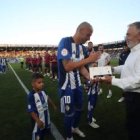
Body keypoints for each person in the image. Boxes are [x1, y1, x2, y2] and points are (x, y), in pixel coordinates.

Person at [57, 22, 100, 140]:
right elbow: (67, 66)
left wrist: (90, 77)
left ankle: (74, 128)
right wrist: (89, 60)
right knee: (69, 113)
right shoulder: (65, 42)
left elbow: (81, 67)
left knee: (79, 109)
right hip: (66, 87)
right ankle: (68, 136)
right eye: (88, 35)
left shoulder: (82, 48)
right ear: (80, 31)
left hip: (78, 85)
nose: (89, 38)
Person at [101, 21, 140, 140]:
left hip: (137, 98)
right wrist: (112, 69)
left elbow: (138, 80)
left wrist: (113, 81)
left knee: (135, 129)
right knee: (131, 125)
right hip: (131, 96)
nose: (125, 37)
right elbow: (127, 68)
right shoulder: (134, 51)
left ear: (139, 36)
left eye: (128, 34)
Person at [27, 73, 57, 140]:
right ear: (33, 84)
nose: (42, 84)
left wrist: (53, 105)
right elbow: (31, 111)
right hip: (38, 121)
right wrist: (37, 121)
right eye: (39, 82)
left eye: (42, 82)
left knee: (45, 134)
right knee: (37, 135)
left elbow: (48, 98)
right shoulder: (31, 95)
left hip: (46, 118)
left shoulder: (43, 91)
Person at [87, 62, 100, 128]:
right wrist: (93, 81)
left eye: (96, 65)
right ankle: (90, 122)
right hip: (91, 94)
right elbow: (88, 85)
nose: (95, 66)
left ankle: (89, 116)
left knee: (93, 106)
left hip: (96, 92)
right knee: (91, 107)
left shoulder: (97, 73)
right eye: (94, 65)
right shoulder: (89, 74)